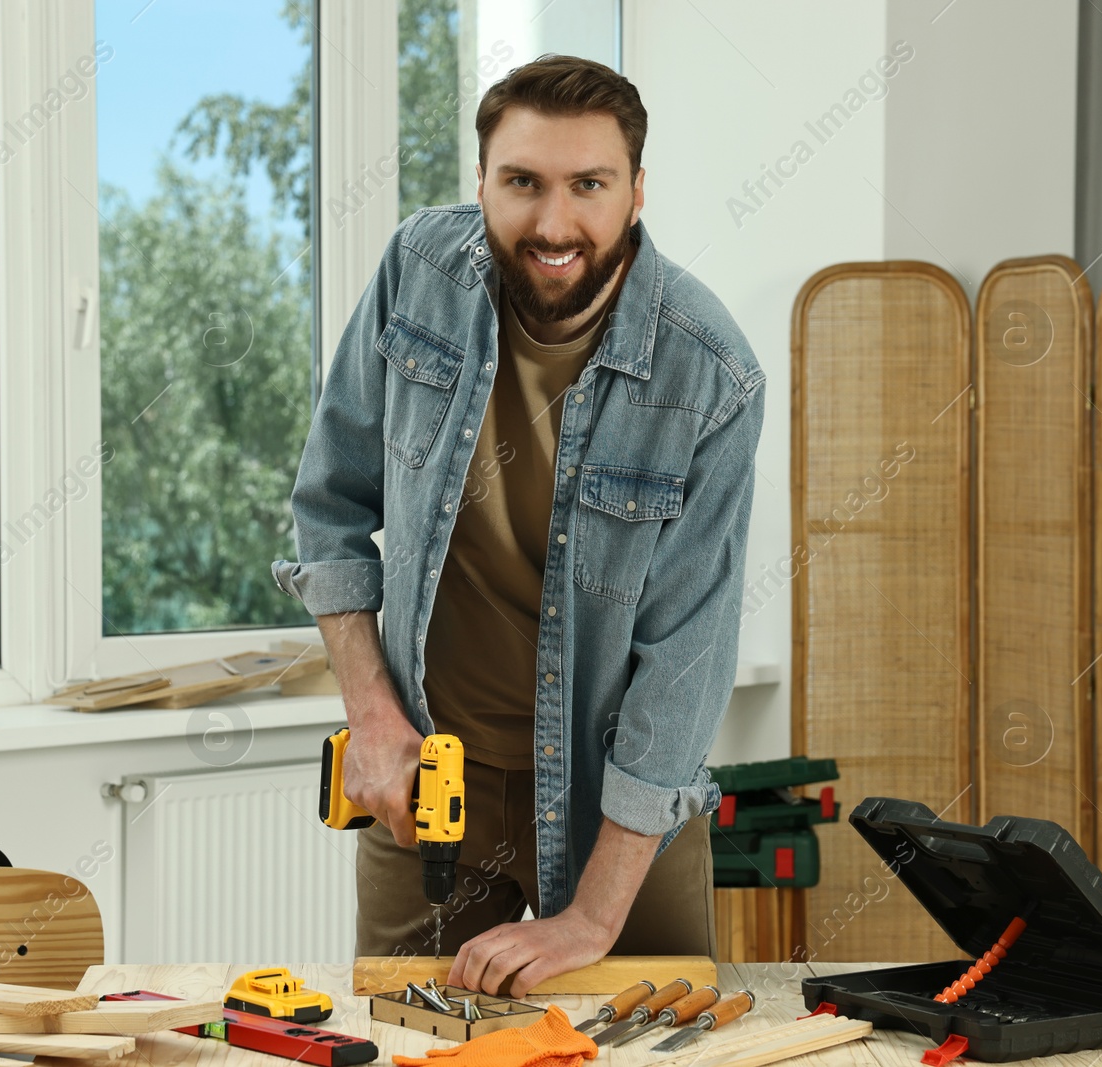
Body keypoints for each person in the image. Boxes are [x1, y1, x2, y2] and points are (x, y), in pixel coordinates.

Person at [271, 53, 764, 997]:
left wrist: (590, 917)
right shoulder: (418, 271)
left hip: (621, 798)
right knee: (404, 1041)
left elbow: (686, 656)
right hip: (429, 778)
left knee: (652, 1049)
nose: (553, 223)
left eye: (589, 184)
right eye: (523, 183)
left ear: (636, 191)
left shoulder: (712, 376)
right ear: (484, 181)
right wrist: (372, 714)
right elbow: (328, 507)